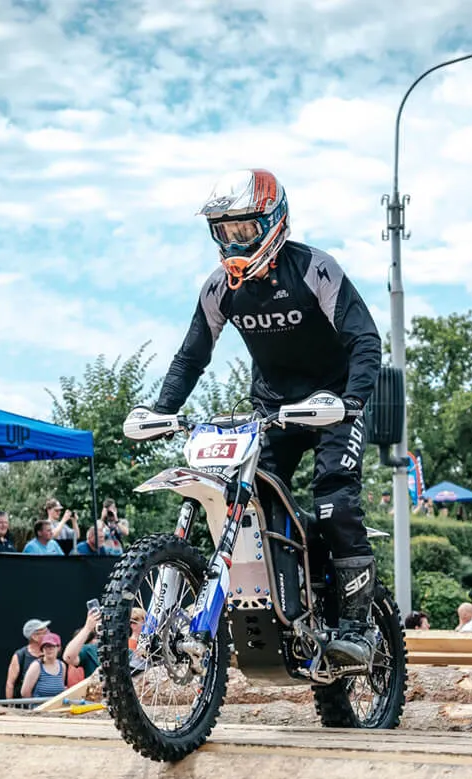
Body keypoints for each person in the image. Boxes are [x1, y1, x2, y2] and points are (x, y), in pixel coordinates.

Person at [149, 169, 381, 667]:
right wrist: (159, 411)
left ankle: (360, 629)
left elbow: (365, 340)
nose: (234, 241)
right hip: (272, 409)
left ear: (274, 222)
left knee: (335, 502)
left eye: (244, 229)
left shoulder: (316, 268)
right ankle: (285, 603)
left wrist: (353, 401)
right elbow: (192, 356)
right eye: (224, 231)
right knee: (247, 499)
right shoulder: (219, 288)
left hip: (334, 404)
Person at [6, 619, 51, 700]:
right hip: (25, 707)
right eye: (45, 633)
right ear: (34, 637)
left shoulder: (51, 653)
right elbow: (10, 684)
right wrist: (10, 706)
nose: (49, 634)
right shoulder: (20, 655)